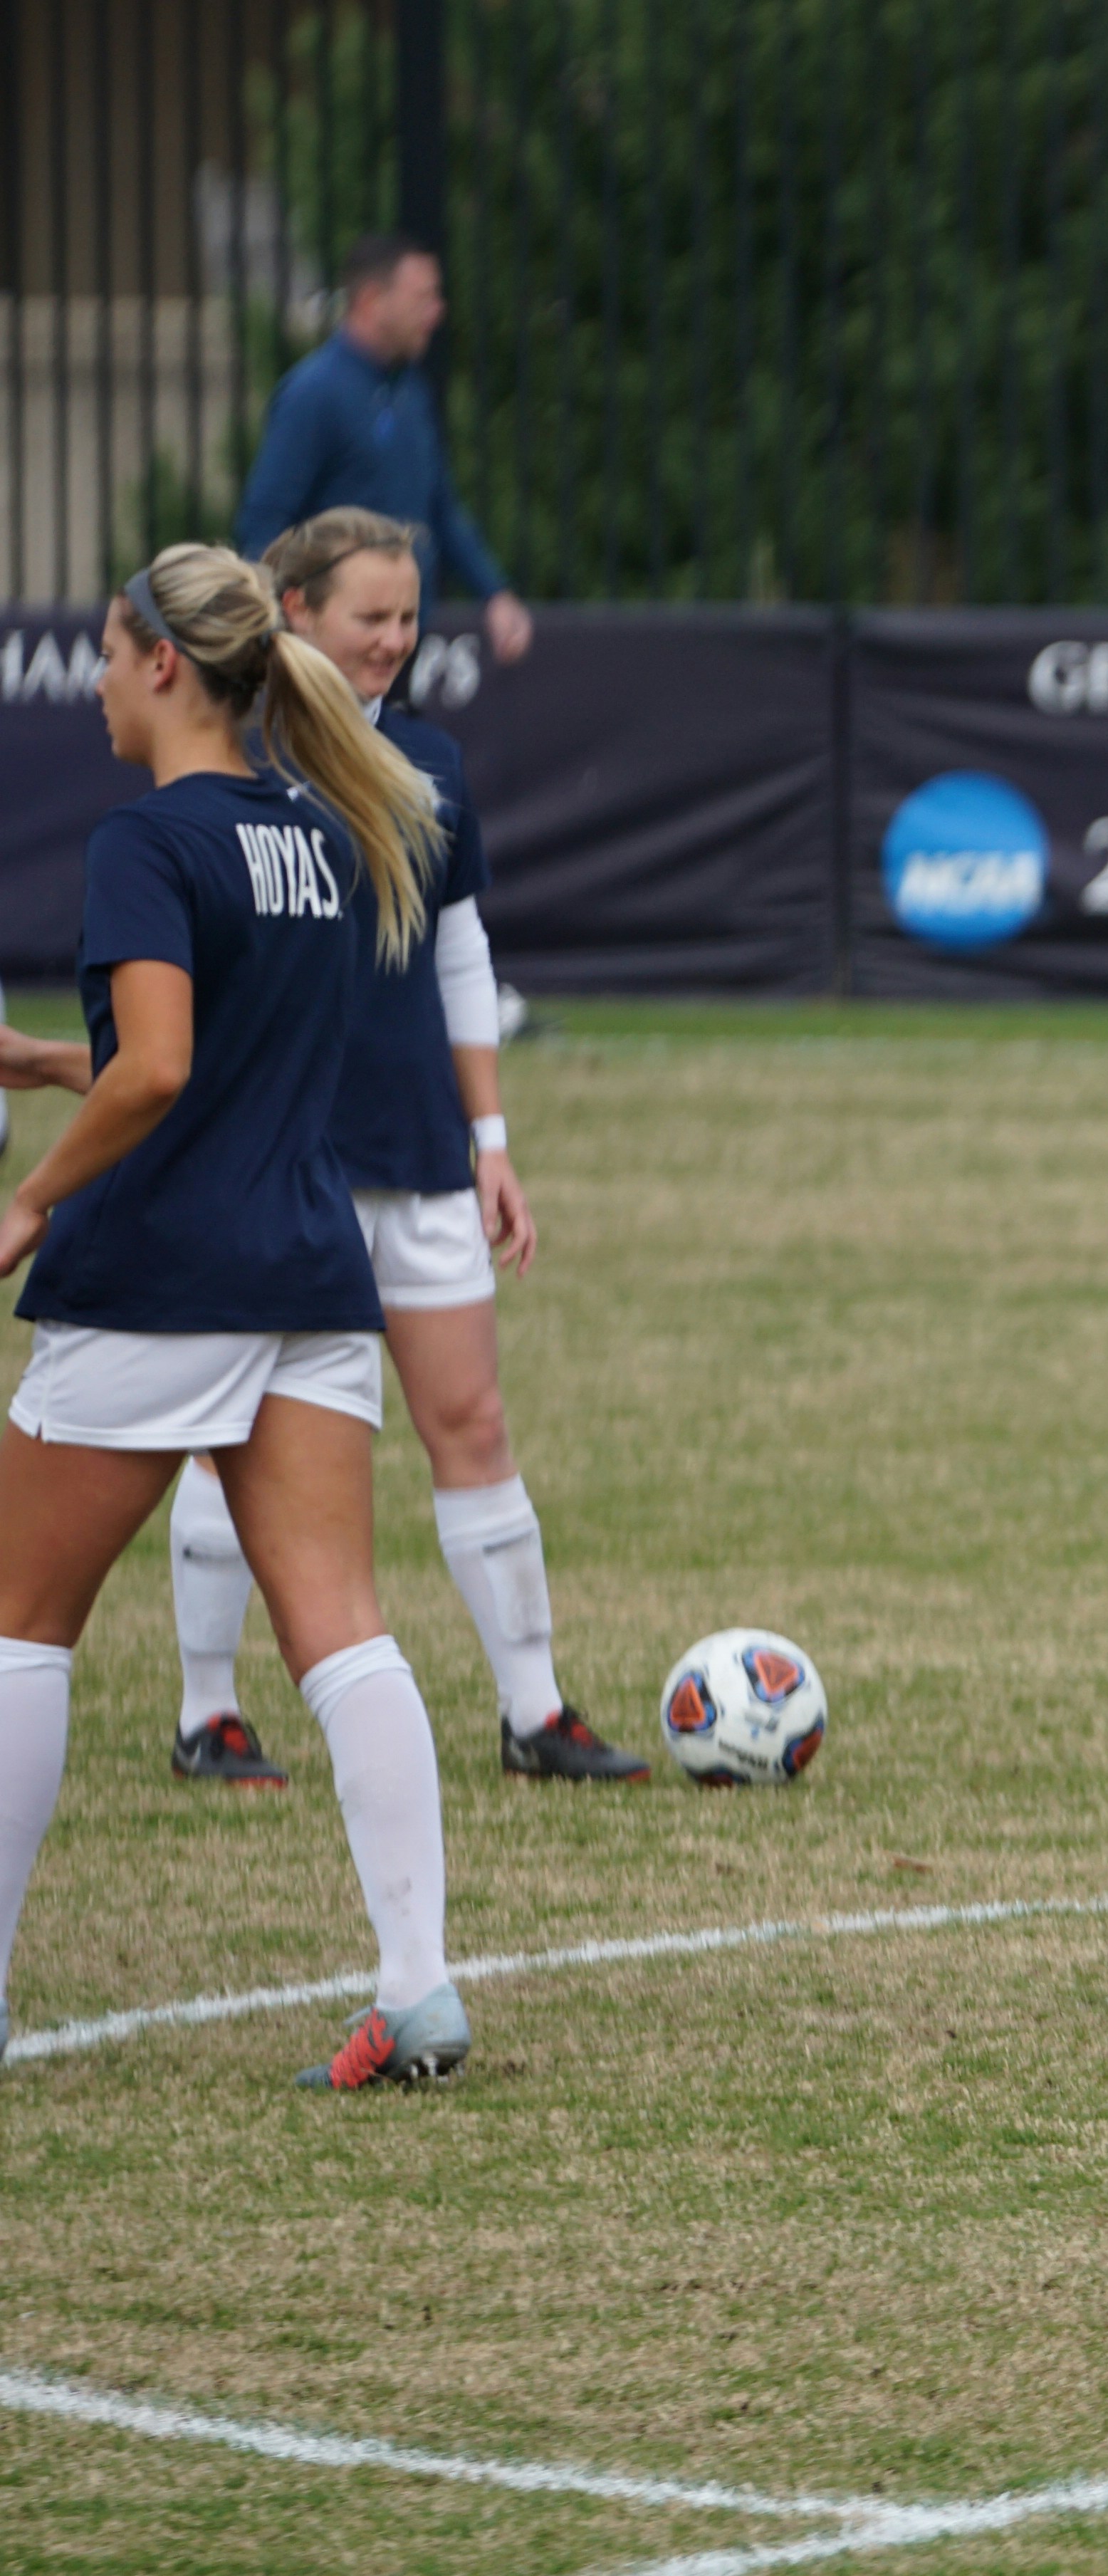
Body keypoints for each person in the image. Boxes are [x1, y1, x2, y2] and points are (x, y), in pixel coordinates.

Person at [0, 543, 466, 2085]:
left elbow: (166, 1068)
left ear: (161, 667)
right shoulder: (326, 831)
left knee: (16, 1628)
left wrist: (30, 1199)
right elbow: (204, 1054)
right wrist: (64, 1060)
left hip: (163, 1280)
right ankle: (420, 1987)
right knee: (340, 1626)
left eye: (105, 647)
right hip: (309, 1278)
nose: (89, 677)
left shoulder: (147, 838)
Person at [152, 509, 644, 1788]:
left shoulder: (429, 759)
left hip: (418, 1150)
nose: (395, 639)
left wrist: (489, 1140)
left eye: (409, 616)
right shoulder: (229, 757)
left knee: (470, 1419)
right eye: (370, 614)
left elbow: (462, 952)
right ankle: (210, 1715)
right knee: (230, 1427)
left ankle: (535, 1714)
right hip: (278, 1156)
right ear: (295, 611)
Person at [232, 234, 533, 667]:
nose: (437, 311)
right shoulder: (313, 394)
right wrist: (278, 636)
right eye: (423, 297)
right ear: (373, 301)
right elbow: (264, 524)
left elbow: (440, 508)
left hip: (399, 647)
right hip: (332, 656)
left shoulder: (410, 392)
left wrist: (496, 594)